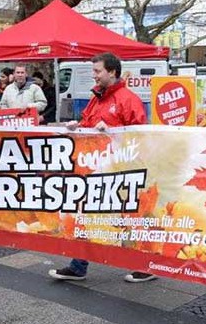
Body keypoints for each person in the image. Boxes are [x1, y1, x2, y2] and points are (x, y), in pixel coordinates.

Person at [48, 52, 155, 283]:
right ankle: (78, 266)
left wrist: (114, 132)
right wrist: (77, 126)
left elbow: (140, 136)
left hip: (122, 171)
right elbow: (88, 123)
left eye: (97, 71)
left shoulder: (128, 99)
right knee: (85, 214)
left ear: (112, 72)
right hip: (96, 169)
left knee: (129, 216)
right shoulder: (96, 98)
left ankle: (145, 264)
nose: (94, 76)